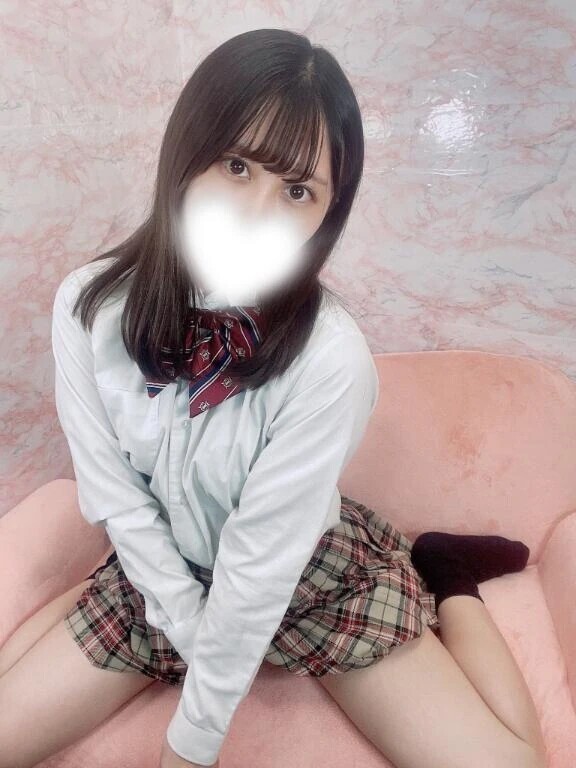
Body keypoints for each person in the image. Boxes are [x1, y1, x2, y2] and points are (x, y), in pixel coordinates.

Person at [0, 28, 546, 768]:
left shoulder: (331, 359)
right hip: (162, 570)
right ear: (185, 153)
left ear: (327, 214)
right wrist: (189, 631)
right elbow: (116, 496)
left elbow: (260, 568)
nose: (256, 212)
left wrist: (191, 743)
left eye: (296, 190)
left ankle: (446, 574)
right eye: (236, 164)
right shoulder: (86, 308)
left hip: (303, 572)